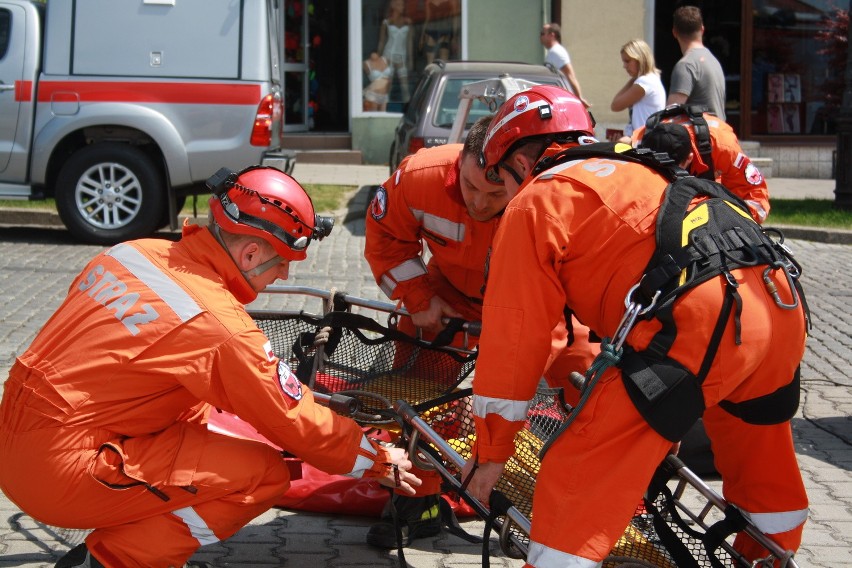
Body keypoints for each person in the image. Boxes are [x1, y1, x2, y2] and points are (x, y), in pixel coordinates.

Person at [0, 166, 420, 568]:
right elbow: (291, 414)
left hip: (15, 442)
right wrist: (379, 460)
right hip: (61, 475)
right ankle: (114, 560)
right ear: (251, 252)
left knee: (199, 422)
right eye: (283, 261)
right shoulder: (216, 325)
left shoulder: (131, 253)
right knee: (263, 475)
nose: (284, 273)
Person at [463, 85, 809, 567]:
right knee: (764, 469)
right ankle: (771, 559)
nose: (502, 196)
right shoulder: (642, 165)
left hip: (695, 327)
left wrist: (492, 451)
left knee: (576, 475)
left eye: (500, 181)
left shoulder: (539, 199)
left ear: (519, 163)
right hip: (778, 306)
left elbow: (515, 338)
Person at [363, 116, 599, 548]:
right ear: (462, 165)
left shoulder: (552, 196)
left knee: (591, 393)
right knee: (421, 400)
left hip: (544, 308)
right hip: (447, 299)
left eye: (495, 194)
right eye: (470, 188)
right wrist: (419, 299)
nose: (480, 203)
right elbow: (385, 237)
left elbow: (557, 304)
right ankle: (420, 508)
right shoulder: (420, 177)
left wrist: (512, 381)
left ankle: (587, 517)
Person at [633, 104, 771, 223]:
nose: (669, 177)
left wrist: (726, 222)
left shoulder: (724, 148)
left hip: (712, 164)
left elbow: (757, 198)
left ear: (689, 158)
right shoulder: (638, 145)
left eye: (672, 171)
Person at [668, 5, 727, 120]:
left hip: (701, 136)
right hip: (719, 134)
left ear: (674, 32)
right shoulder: (713, 61)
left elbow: (670, 116)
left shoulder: (686, 65)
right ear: (702, 29)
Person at [610, 39, 666, 145]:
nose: (624, 66)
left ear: (640, 60)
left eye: (627, 61)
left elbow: (615, 105)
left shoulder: (644, 82)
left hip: (644, 142)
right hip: (645, 140)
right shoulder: (651, 79)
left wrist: (634, 79)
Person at [540, 22, 590, 108]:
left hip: (563, 100)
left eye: (542, 33)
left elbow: (570, 74)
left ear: (552, 35)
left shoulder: (557, 52)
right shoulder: (553, 52)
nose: (540, 37)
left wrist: (579, 98)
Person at [377, 0, 413, 104]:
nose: (402, 7)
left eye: (403, 4)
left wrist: (411, 60)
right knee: (388, 86)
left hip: (402, 56)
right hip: (389, 55)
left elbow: (409, 42)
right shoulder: (386, 22)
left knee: (405, 87)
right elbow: (381, 41)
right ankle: (384, 111)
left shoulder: (408, 22)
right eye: (399, 4)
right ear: (393, 6)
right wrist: (379, 58)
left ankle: (407, 109)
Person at [421, 0, 460, 65]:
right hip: (431, 31)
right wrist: (422, 35)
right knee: (430, 63)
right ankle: (431, 74)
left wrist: (455, 35)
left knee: (443, 63)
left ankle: (442, 74)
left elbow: (455, 18)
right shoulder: (428, 1)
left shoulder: (451, 1)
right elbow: (427, 18)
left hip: (445, 32)